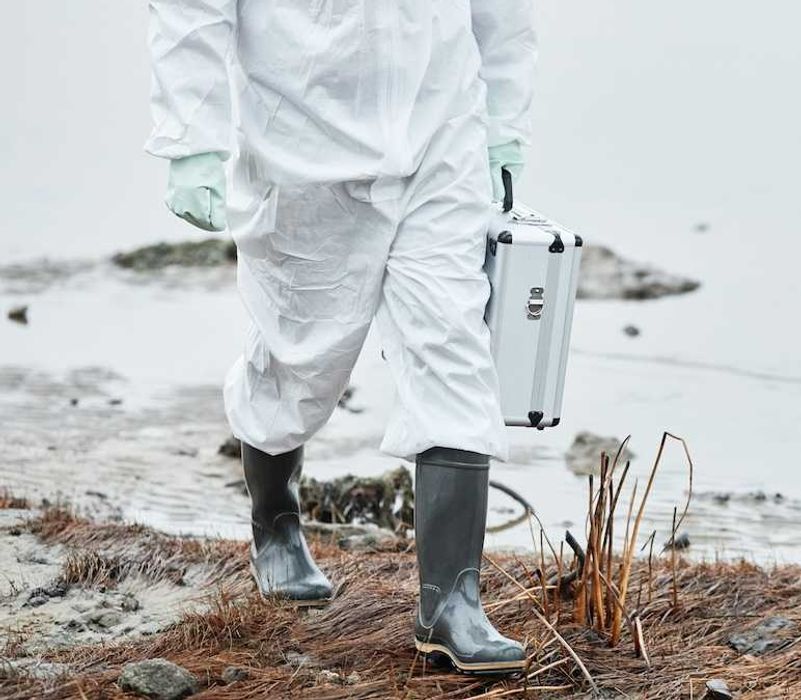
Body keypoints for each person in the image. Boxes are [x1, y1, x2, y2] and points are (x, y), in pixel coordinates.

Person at [145, 0, 535, 674]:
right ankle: (275, 522)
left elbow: (502, 10)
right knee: (300, 368)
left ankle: (450, 603)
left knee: (452, 346)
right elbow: (192, 8)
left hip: (440, 134)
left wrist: (502, 123)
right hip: (300, 144)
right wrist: (191, 143)